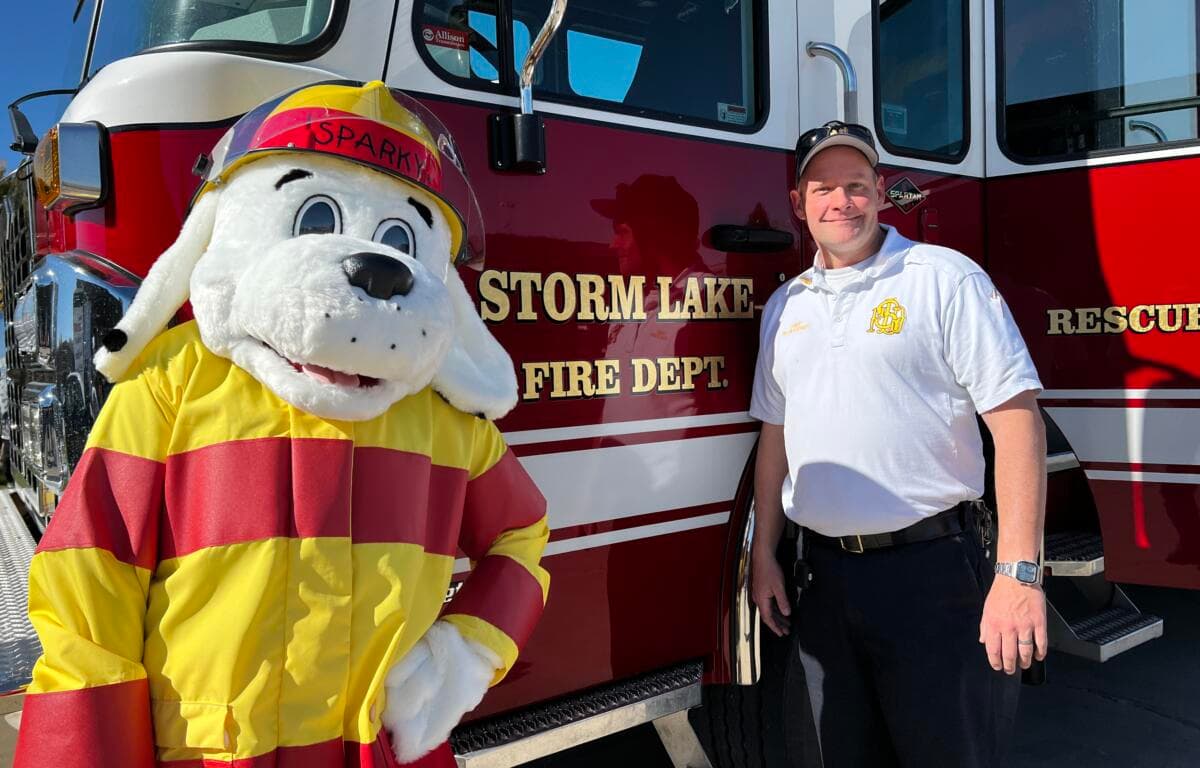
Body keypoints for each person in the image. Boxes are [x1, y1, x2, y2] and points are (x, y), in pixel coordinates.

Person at [749, 121, 1047, 767]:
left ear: (880, 193)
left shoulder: (943, 279)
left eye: (856, 186)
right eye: (823, 188)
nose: (841, 203)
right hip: (821, 581)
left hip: (933, 577)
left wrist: (1019, 573)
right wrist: (762, 552)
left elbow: (1017, 420)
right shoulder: (784, 308)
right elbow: (775, 441)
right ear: (799, 205)